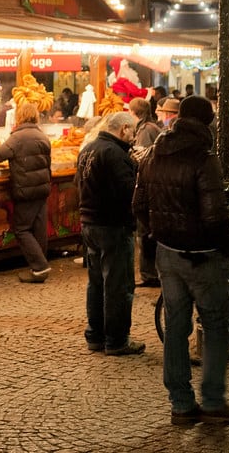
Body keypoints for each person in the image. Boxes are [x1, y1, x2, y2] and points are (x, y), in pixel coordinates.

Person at [132, 95, 229, 426]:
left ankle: (180, 403)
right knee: (214, 325)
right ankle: (212, 400)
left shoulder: (154, 153)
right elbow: (214, 216)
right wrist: (228, 244)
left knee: (176, 326)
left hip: (168, 252)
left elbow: (138, 204)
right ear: (207, 122)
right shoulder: (203, 157)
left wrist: (157, 232)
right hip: (202, 256)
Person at [76, 112, 145, 356]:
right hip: (113, 225)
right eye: (133, 131)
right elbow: (129, 192)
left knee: (96, 282)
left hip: (90, 222)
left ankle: (95, 335)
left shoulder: (89, 148)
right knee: (118, 284)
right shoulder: (115, 154)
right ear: (124, 128)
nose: (134, 136)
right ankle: (116, 339)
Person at [0, 102, 52, 283]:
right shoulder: (42, 136)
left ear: (19, 116)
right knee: (39, 228)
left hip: (26, 190)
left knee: (21, 229)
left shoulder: (18, 137)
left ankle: (40, 267)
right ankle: (40, 264)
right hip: (42, 188)